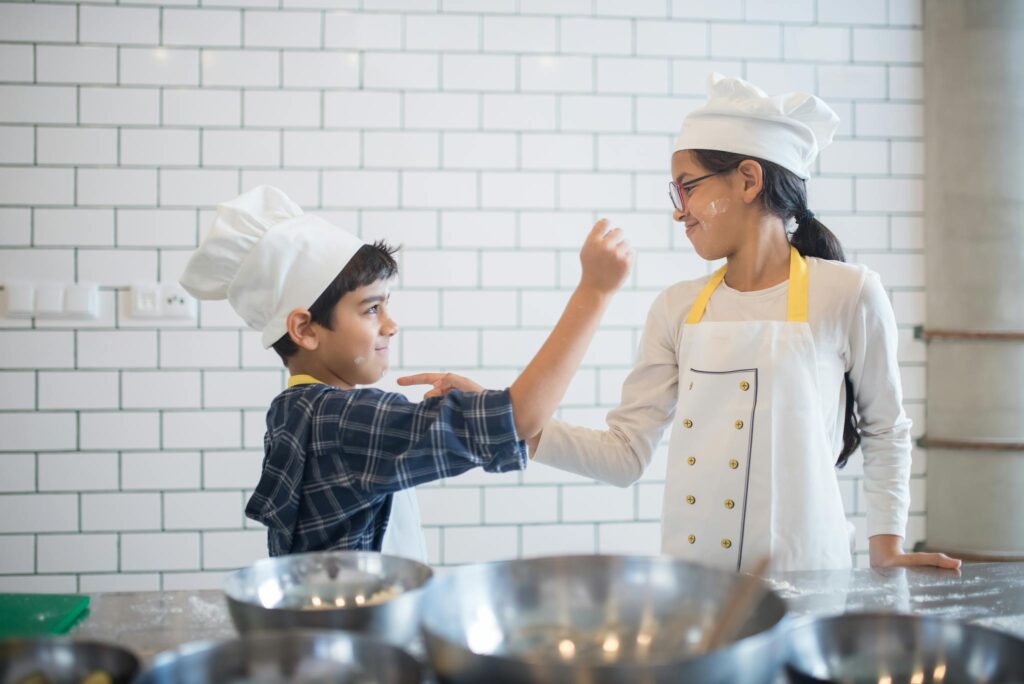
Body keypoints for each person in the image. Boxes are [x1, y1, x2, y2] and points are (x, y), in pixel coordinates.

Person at [526, 74, 960, 572]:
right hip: (698, 587)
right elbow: (624, 455)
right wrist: (512, 423)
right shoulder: (676, 308)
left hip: (810, 578)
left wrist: (887, 549)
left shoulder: (849, 292)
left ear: (749, 180)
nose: (679, 212)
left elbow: (886, 430)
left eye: (686, 188)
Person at [178, 186, 633, 559]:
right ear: (304, 329)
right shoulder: (340, 422)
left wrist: (451, 414)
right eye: (371, 308)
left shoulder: (298, 410)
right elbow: (519, 418)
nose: (390, 325)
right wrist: (594, 292)